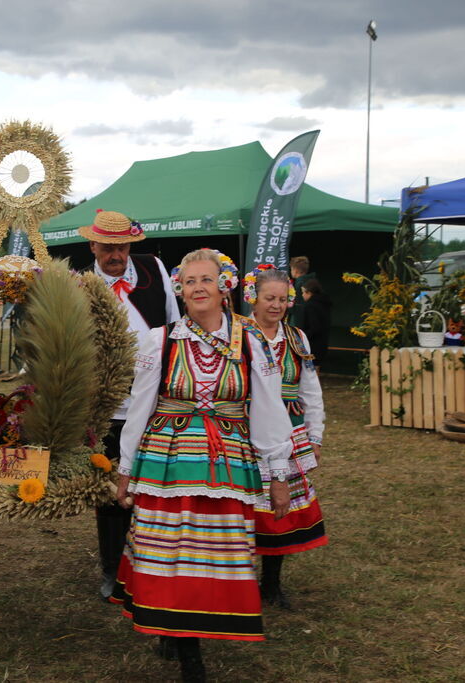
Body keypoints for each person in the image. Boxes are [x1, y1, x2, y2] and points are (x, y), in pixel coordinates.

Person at [111, 249, 292, 683]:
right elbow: (140, 407)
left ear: (224, 286)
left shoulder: (251, 341)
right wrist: (126, 467)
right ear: (180, 290)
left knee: (210, 558)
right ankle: (183, 647)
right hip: (167, 465)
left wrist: (280, 474)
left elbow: (268, 410)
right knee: (168, 555)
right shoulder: (161, 340)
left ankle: (185, 633)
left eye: (205, 279)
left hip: (226, 467)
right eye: (189, 281)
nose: (197, 288)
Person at [78, 209, 181, 601]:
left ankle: (151, 564)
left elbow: (174, 325)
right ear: (93, 246)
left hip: (154, 403)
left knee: (153, 487)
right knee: (109, 495)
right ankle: (111, 568)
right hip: (105, 409)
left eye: (121, 247)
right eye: (107, 248)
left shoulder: (153, 269)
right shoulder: (79, 282)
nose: (115, 255)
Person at [244, 265, 327, 609]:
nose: (276, 305)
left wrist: (316, 434)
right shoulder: (238, 334)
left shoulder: (297, 338)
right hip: (246, 431)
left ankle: (271, 584)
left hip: (290, 434)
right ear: (253, 298)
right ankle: (239, 582)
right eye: (269, 298)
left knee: (280, 510)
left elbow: (311, 388)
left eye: (282, 299)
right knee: (247, 507)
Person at [300, 278, 332, 368]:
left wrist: (302, 337)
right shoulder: (325, 304)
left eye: (303, 292)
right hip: (322, 345)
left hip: (311, 346)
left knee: (309, 372)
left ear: (309, 293)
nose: (302, 295)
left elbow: (314, 328)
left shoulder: (311, 306)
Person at [289, 256, 316, 327]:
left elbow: (294, 304)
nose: (291, 271)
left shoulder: (299, 284)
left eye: (291, 269)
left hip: (298, 321)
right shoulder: (311, 282)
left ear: (295, 270)